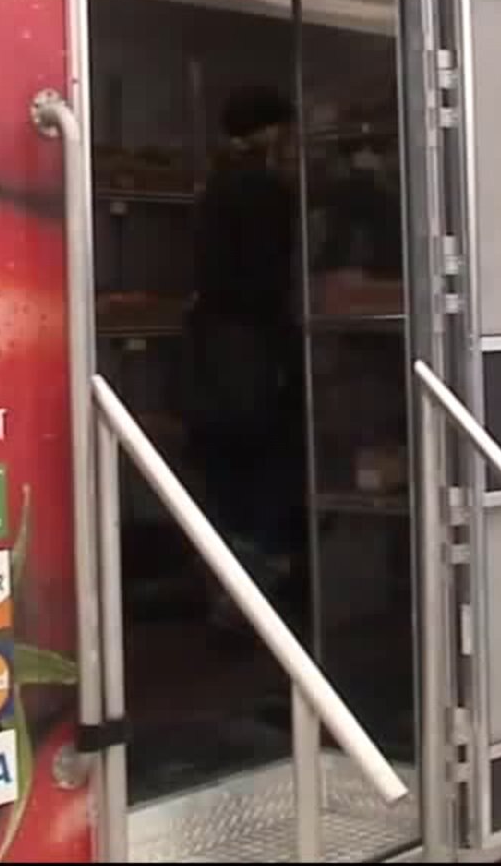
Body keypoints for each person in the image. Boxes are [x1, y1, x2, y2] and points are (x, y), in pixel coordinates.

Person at [182, 84, 308, 634]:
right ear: (270, 132)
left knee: (225, 473)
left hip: (213, 353)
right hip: (251, 352)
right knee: (268, 467)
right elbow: (268, 279)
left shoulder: (215, 184)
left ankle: (227, 595)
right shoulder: (263, 191)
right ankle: (257, 597)